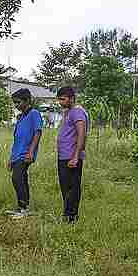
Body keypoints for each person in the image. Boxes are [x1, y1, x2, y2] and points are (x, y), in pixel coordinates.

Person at [7, 88, 43, 219]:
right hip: (17, 154)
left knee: (17, 178)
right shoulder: (21, 117)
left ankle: (24, 208)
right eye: (14, 103)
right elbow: (16, 139)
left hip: (25, 154)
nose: (16, 105)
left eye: (18, 102)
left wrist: (31, 152)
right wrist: (11, 158)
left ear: (27, 101)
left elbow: (37, 133)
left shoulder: (34, 114)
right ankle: (23, 207)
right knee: (21, 178)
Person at [56, 86, 89, 222]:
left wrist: (76, 156)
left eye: (63, 99)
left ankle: (72, 217)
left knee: (72, 187)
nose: (60, 102)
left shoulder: (77, 112)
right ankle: (67, 214)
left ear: (72, 98)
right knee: (65, 186)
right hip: (64, 156)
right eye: (59, 99)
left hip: (71, 156)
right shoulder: (68, 112)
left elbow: (82, 134)